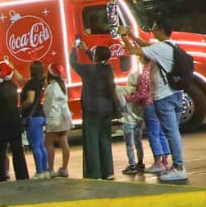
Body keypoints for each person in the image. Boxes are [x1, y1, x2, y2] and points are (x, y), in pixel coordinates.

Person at [120, 18, 187, 183]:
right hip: (176, 93)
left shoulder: (160, 48)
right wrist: (132, 36)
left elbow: (134, 51)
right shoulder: (172, 45)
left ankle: (179, 167)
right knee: (172, 133)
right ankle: (175, 166)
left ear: (161, 30)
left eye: (155, 28)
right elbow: (145, 46)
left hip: (164, 97)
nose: (152, 31)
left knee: (171, 133)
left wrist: (123, 37)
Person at [70, 43, 119, 180]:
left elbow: (73, 63)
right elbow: (98, 60)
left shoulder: (89, 69)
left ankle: (95, 172)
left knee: (92, 141)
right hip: (107, 109)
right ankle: (108, 171)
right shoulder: (108, 69)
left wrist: (74, 48)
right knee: (105, 141)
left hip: (92, 109)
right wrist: (86, 49)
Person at [0, 61, 29, 181]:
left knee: (0, 153)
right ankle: (22, 176)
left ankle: (0, 177)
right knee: (18, 153)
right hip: (14, 124)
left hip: (0, 126)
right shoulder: (12, 86)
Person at [128, 57, 171, 174]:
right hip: (160, 103)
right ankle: (165, 161)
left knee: (153, 134)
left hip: (149, 106)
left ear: (143, 60)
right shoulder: (158, 71)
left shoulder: (145, 74)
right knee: (162, 133)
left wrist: (129, 98)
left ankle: (157, 162)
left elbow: (142, 94)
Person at [21, 61, 49, 179]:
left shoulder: (32, 84)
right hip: (41, 115)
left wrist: (21, 107)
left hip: (33, 117)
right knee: (41, 145)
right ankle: (45, 170)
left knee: (35, 145)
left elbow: (30, 100)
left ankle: (39, 172)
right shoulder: (40, 83)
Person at [43, 63, 72, 178]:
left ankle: (50, 169)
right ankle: (64, 168)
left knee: (49, 143)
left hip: (54, 118)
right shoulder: (62, 84)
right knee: (64, 142)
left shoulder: (51, 87)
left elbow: (48, 104)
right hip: (65, 117)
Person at [117, 71, 145, 175]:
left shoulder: (123, 91)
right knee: (138, 143)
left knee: (129, 145)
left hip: (128, 121)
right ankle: (140, 162)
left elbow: (114, 87)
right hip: (138, 121)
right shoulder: (141, 92)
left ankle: (132, 165)